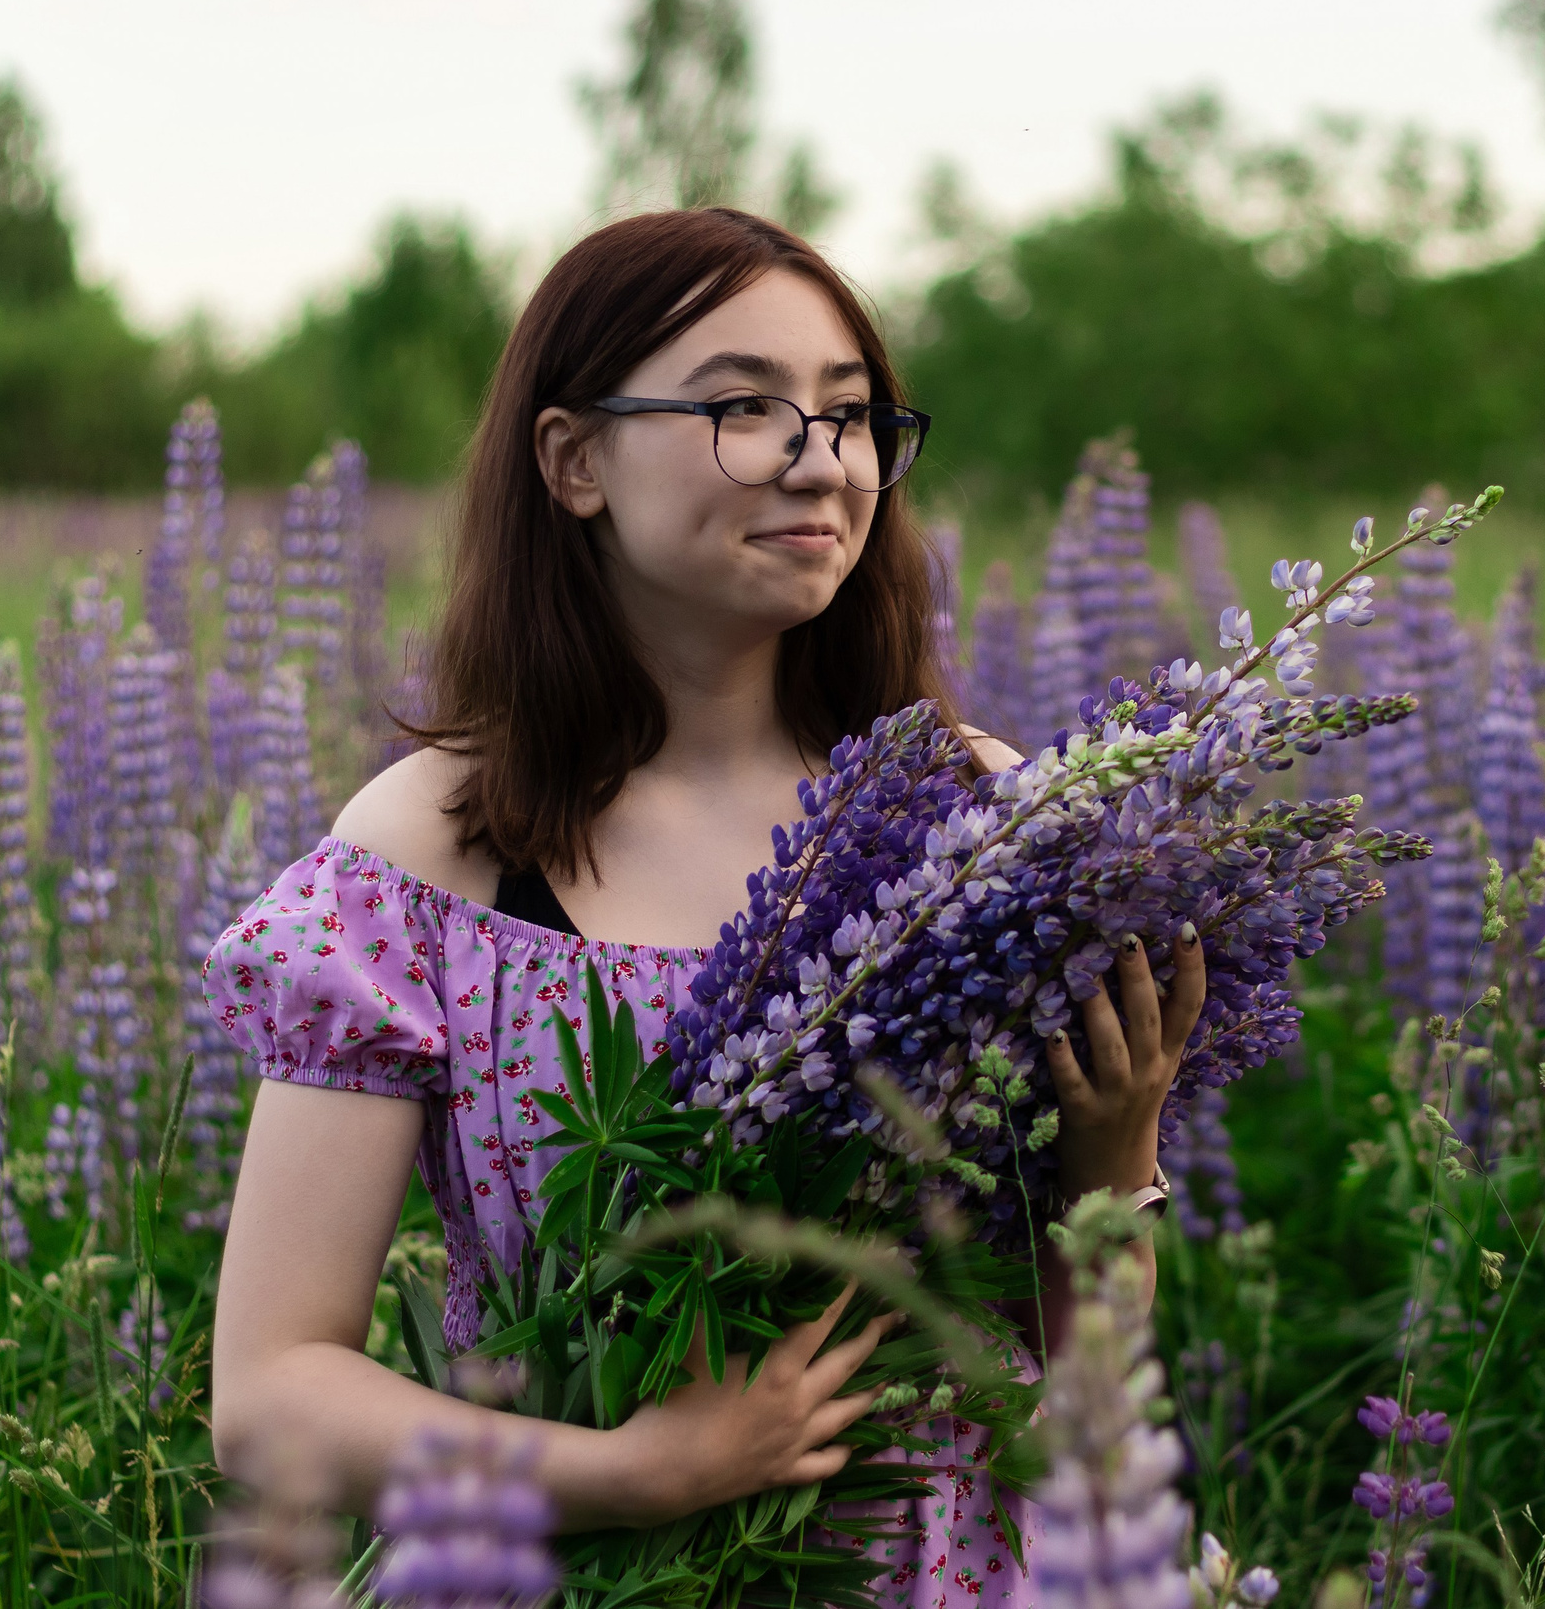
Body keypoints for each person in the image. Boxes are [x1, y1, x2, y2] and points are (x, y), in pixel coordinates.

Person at [205, 208, 1201, 1602]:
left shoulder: (985, 821)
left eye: (852, 418)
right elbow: (266, 1393)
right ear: (573, 459)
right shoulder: (441, 849)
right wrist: (637, 1476)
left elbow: (1079, 1378)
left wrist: (1114, 1151)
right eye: (748, 406)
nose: (822, 460)